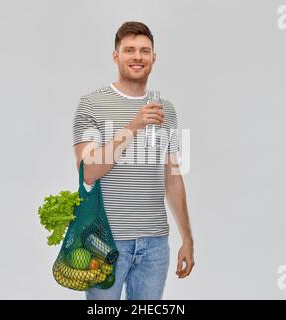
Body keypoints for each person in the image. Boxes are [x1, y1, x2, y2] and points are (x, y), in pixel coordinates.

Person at [72, 21, 194, 300]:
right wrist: (134, 125)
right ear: (116, 56)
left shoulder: (167, 110)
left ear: (154, 57)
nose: (137, 57)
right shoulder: (92, 104)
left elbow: (173, 177)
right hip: (104, 239)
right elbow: (88, 172)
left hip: (155, 244)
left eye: (144, 50)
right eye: (129, 50)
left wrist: (187, 238)